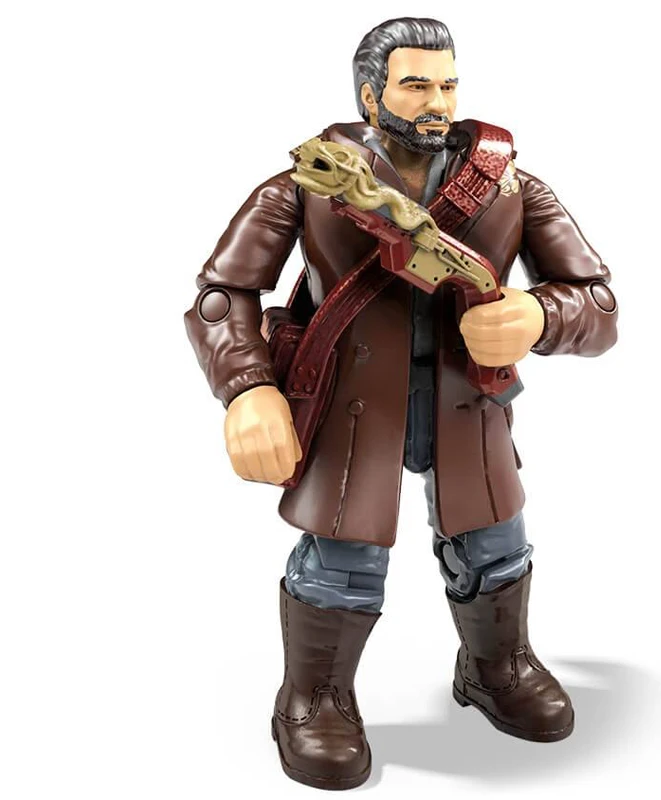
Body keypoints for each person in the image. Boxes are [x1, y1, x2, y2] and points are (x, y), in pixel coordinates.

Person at [185, 16, 618, 791]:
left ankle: (496, 667)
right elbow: (223, 296)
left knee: (495, 545)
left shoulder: (509, 184)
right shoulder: (314, 182)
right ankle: (314, 699)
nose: (438, 102)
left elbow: (597, 301)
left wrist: (538, 315)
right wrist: (247, 389)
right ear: (370, 95)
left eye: (448, 84)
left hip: (468, 403)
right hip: (351, 406)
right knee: (342, 562)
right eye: (416, 85)